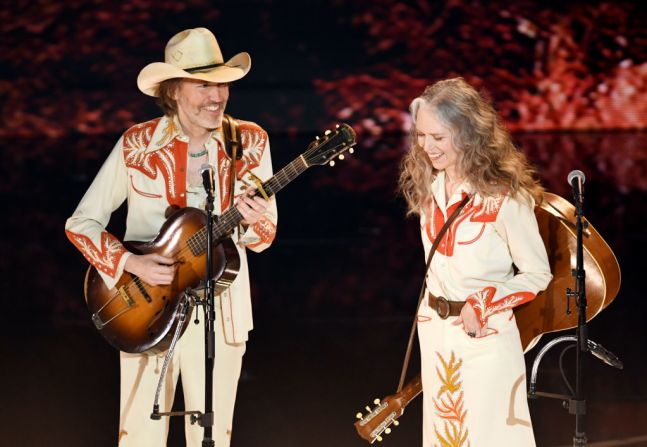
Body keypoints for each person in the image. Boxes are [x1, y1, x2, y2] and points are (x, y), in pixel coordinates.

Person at [65, 27, 277, 446]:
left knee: (210, 437)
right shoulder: (136, 144)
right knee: (140, 436)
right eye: (204, 85)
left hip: (220, 313)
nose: (217, 97)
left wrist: (253, 221)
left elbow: (265, 236)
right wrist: (131, 262)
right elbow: (81, 224)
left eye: (223, 85)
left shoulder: (250, 142)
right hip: (145, 308)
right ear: (174, 89)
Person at [398, 78, 552, 446]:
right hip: (436, 336)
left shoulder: (504, 197)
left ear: (467, 133)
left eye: (438, 137)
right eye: (421, 136)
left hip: (486, 340)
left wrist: (484, 300)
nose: (427, 148)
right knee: (445, 437)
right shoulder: (429, 190)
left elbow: (537, 274)